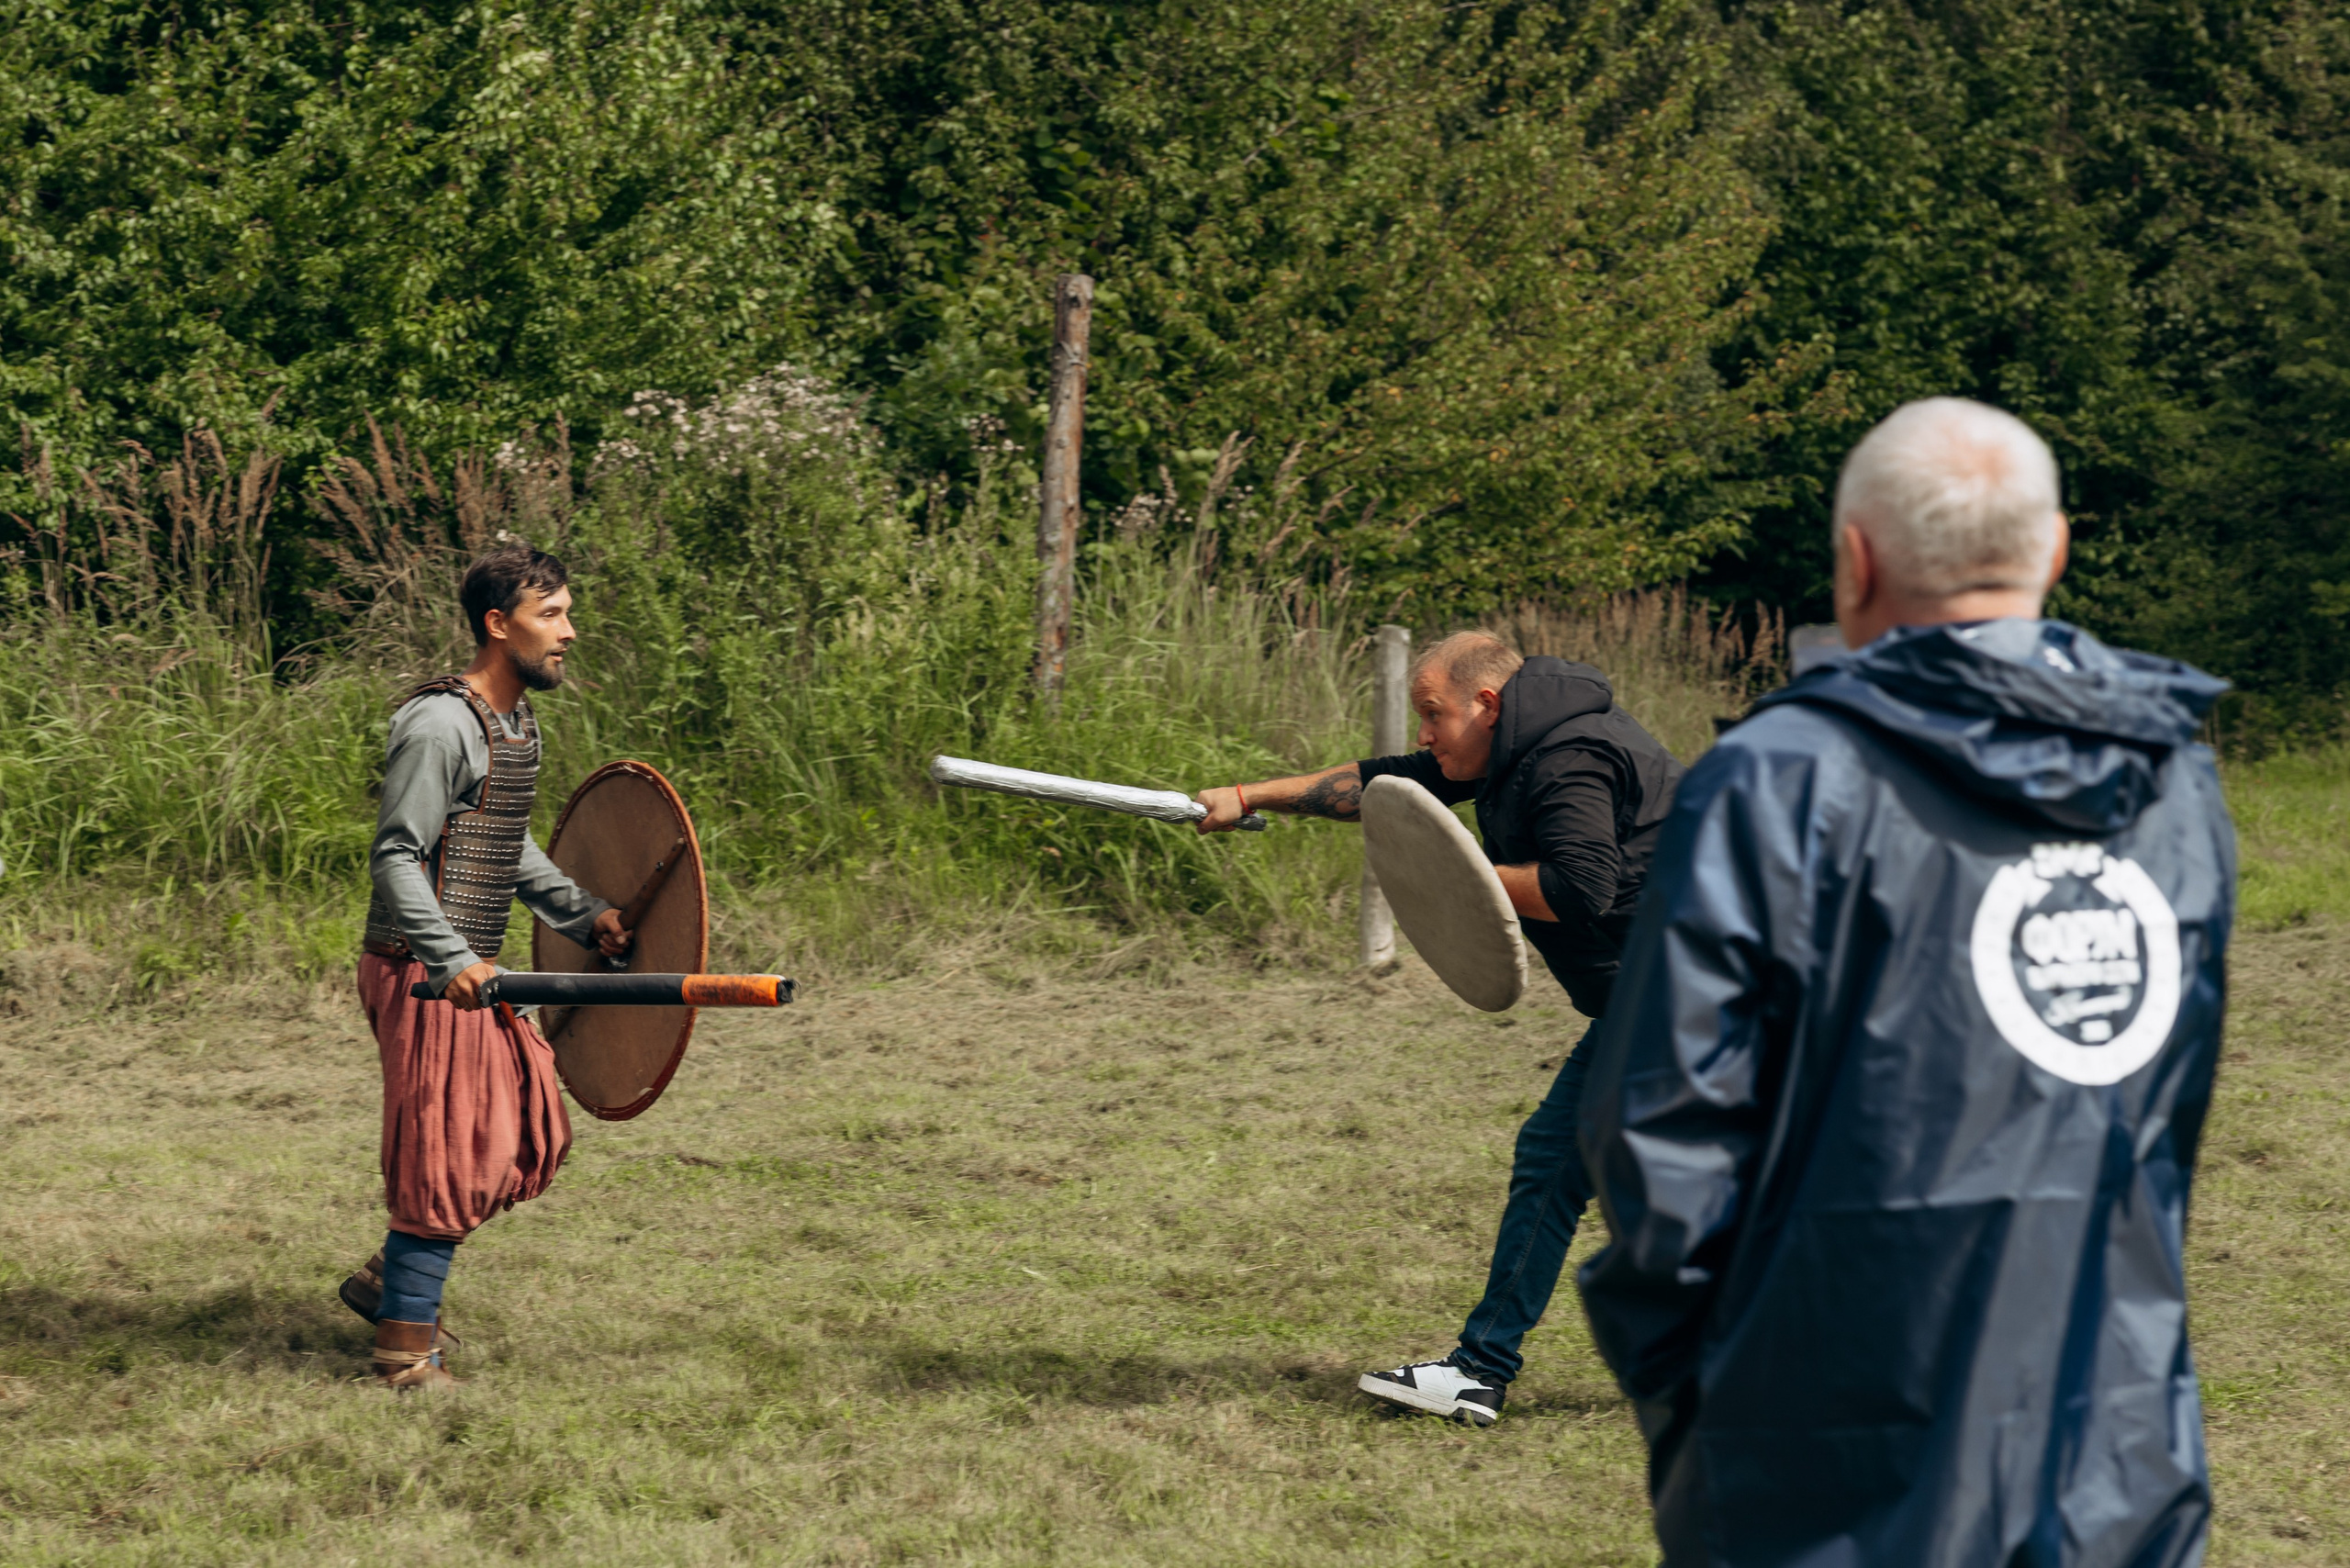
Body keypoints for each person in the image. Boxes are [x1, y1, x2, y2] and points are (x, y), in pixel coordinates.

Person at [1577, 398, 2231, 1565]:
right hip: (2112, 1437)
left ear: (1854, 559)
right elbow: (2165, 1106)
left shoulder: (1774, 776)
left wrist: (1693, 1389)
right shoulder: (2175, 780)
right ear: (2056, 550)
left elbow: (1659, 1131)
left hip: (1825, 1457)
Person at [1195, 632, 1684, 1425]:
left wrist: (1452, 873)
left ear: (1487, 705)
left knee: (1588, 1165)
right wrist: (1249, 795)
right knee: (1579, 1164)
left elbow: (1579, 885)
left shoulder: (1568, 757)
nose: (1424, 732)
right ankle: (1484, 1370)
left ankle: (1483, 1368)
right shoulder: (1514, 746)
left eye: (1434, 713)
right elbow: (1394, 784)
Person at [337, 543, 634, 1389]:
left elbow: (500, 844)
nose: (569, 632)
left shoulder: (509, 722)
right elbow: (397, 857)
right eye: (552, 616)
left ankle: (387, 1277)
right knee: (447, 1154)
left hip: (472, 969)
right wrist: (451, 957)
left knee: (533, 1132)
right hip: (421, 970)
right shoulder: (440, 725)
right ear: (498, 626)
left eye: (569, 612)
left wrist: (583, 912)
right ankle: (403, 1351)